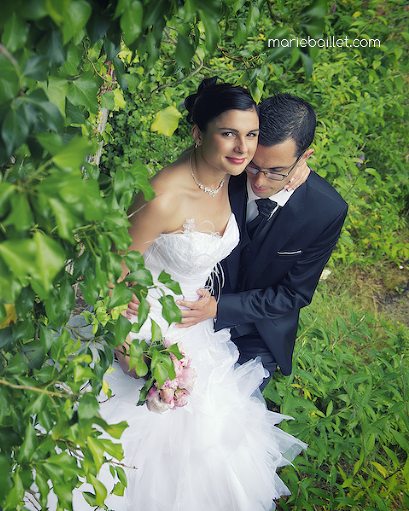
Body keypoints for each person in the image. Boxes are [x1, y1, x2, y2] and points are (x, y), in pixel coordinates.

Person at [71, 78, 306, 511]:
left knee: (209, 451)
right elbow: (111, 276)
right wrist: (129, 349)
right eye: (228, 133)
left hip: (197, 329)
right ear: (198, 133)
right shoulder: (162, 198)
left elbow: (268, 185)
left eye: (251, 135)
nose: (243, 148)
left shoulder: (228, 179)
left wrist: (291, 177)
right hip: (148, 330)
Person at [175, 93, 349, 391]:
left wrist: (220, 307)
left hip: (259, 331)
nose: (259, 181)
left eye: (277, 172)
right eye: (254, 166)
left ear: (304, 157)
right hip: (192, 307)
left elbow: (293, 294)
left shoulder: (326, 211)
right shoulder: (222, 169)